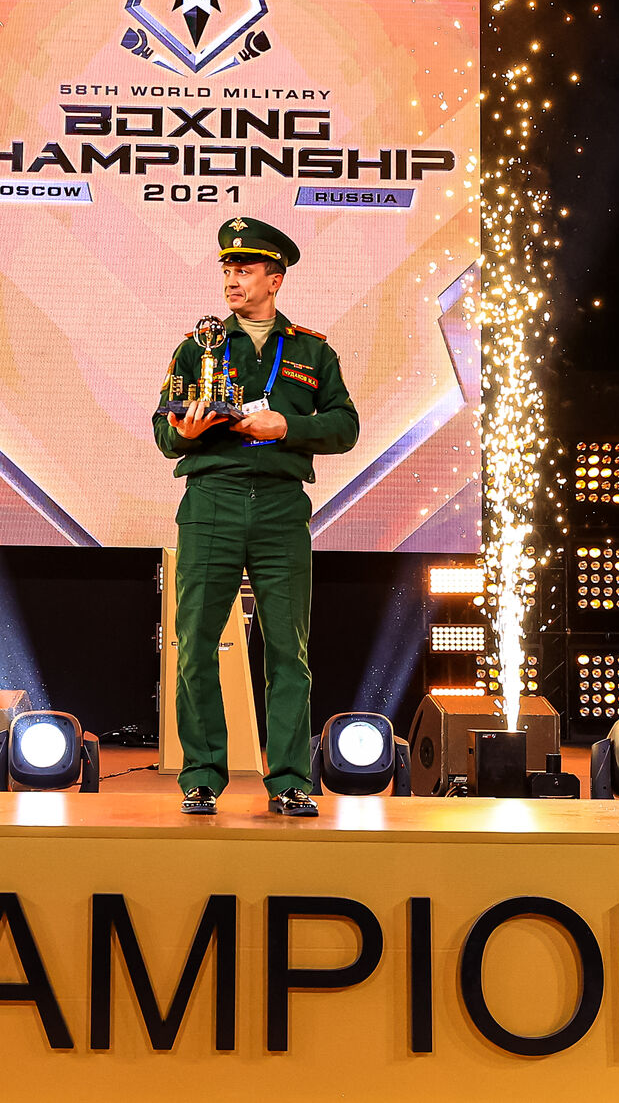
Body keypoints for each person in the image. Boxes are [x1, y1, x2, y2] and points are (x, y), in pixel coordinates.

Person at [153, 217, 359, 817]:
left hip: (279, 506)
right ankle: (202, 776)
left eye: (244, 270)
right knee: (193, 645)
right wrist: (182, 430)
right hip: (211, 501)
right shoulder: (199, 346)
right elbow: (164, 434)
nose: (231, 279)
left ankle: (291, 778)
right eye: (226, 269)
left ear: (276, 277)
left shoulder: (311, 350)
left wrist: (288, 426)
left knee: (288, 651)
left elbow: (345, 427)